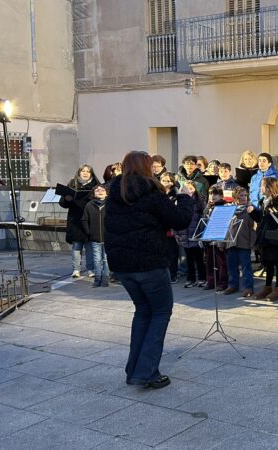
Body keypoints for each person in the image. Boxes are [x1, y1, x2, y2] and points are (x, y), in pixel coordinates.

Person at [105, 150, 194, 389]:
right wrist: (185, 198)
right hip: (149, 264)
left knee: (143, 312)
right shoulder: (151, 193)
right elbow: (179, 220)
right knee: (160, 313)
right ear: (147, 168)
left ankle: (134, 369)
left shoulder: (115, 192)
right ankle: (146, 372)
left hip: (122, 265)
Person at [252, 177, 278, 301]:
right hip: (265, 237)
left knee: (277, 263)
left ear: (269, 188)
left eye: (262, 186)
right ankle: (267, 287)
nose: (260, 189)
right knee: (268, 263)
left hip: (274, 238)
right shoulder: (264, 201)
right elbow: (262, 220)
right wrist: (252, 212)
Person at [60, 164, 100, 278]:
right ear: (79, 173)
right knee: (76, 246)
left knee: (90, 247)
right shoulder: (72, 184)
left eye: (88, 171)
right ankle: (76, 269)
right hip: (75, 220)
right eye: (83, 171)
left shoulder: (96, 185)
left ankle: (91, 269)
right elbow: (62, 203)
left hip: (90, 220)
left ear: (91, 174)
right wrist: (67, 200)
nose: (85, 173)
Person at [223, 187, 256, 297]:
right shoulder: (229, 210)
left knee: (246, 267)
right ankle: (233, 285)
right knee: (231, 266)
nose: (243, 198)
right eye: (241, 195)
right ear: (234, 198)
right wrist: (221, 243)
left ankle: (248, 287)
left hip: (244, 243)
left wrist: (253, 244)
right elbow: (225, 228)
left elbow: (253, 228)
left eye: (245, 195)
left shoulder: (249, 210)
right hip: (231, 242)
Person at [175, 179, 206, 288]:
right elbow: (176, 218)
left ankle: (202, 278)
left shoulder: (199, 199)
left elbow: (204, 216)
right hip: (184, 233)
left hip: (196, 233)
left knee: (198, 258)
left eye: (191, 189)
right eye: (186, 189)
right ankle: (191, 278)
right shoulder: (180, 201)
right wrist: (176, 233)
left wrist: (202, 232)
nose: (189, 191)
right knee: (188, 258)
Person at [81, 184, 110, 287]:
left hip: (108, 238)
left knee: (106, 259)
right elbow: (84, 220)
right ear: (93, 193)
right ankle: (97, 279)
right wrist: (89, 232)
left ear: (107, 193)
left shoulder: (110, 204)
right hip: (94, 238)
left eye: (102, 190)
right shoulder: (89, 205)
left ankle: (105, 279)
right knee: (97, 259)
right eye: (97, 190)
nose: (100, 191)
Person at [203, 186, 229, 290]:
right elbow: (204, 220)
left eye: (215, 194)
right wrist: (207, 208)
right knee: (209, 261)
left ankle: (222, 282)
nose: (212, 196)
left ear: (221, 196)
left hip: (219, 239)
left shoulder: (224, 206)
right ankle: (211, 281)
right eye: (211, 194)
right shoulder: (209, 206)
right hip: (209, 237)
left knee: (221, 262)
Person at [159, 172, 180, 283]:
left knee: (172, 253)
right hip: (159, 227)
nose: (166, 183)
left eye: (168, 181)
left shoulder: (175, 194)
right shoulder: (157, 193)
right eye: (164, 180)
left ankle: (173, 274)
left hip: (171, 227)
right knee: (162, 252)